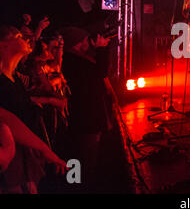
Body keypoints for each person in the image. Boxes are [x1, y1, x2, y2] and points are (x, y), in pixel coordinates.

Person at [0, 25, 66, 193]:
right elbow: (8, 119)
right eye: (19, 36)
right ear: (3, 44)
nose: (27, 39)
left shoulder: (15, 77)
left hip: (22, 149)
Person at [60, 26, 112, 192]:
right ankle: (78, 188)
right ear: (77, 43)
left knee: (82, 157)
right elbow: (100, 72)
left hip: (84, 116)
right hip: (85, 117)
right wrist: (103, 49)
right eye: (84, 40)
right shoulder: (73, 61)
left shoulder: (75, 58)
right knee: (83, 157)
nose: (87, 43)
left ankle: (76, 185)